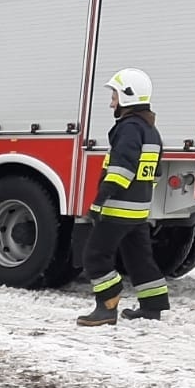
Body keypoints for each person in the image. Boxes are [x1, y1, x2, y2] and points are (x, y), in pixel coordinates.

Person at [77, 67, 169, 325]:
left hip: (118, 209)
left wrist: (99, 201)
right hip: (138, 210)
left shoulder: (128, 128)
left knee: (95, 256)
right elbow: (155, 171)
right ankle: (152, 307)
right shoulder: (151, 130)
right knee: (139, 258)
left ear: (128, 96)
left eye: (114, 96)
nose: (112, 103)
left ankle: (107, 305)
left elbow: (122, 169)